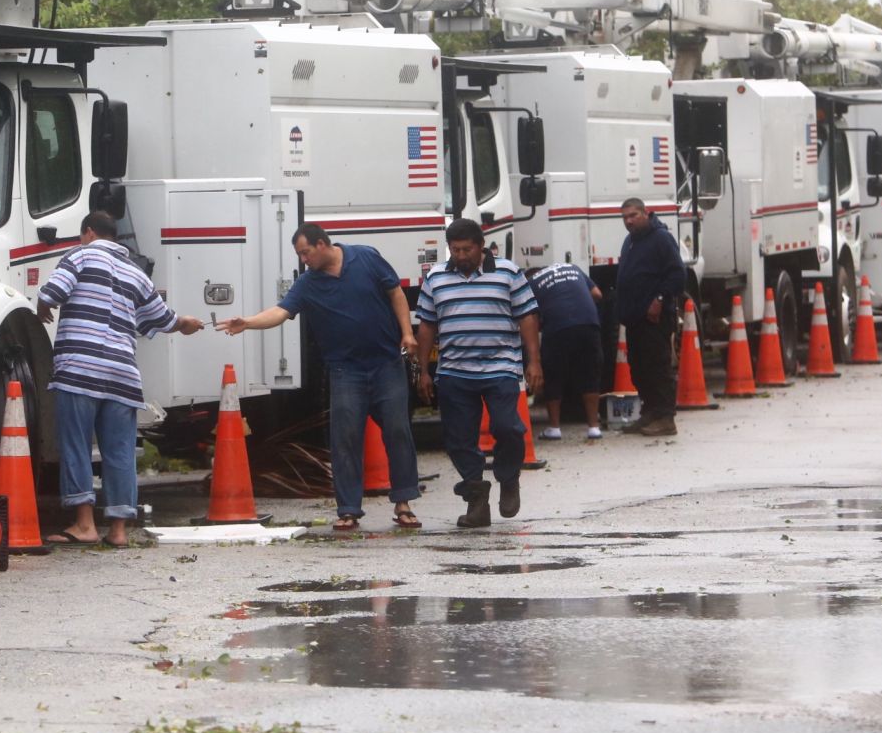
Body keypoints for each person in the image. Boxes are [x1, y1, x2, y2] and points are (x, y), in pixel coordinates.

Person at [218, 223, 421, 533]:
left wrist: (407, 333)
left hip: (386, 362)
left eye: (305, 252)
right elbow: (281, 311)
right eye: (299, 254)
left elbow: (395, 292)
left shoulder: (366, 258)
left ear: (323, 244)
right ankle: (349, 509)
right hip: (345, 370)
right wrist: (247, 322)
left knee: (397, 430)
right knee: (345, 438)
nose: (303, 260)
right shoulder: (308, 283)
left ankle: (404, 502)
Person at [38, 210, 203, 548]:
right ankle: (118, 531)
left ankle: (84, 525)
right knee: (119, 452)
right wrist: (187, 321)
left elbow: (51, 292)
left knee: (77, 447)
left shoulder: (80, 255)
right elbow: (165, 320)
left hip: (79, 370)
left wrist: (43, 308)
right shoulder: (136, 273)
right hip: (122, 375)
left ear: (87, 233)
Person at [414, 220, 542, 527]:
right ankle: (476, 499)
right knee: (458, 439)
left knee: (508, 427)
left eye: (467, 249)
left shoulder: (508, 272)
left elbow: (527, 317)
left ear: (481, 246)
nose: (461, 255)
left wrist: (534, 361)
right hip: (455, 371)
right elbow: (428, 325)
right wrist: (423, 371)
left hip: (501, 366)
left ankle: (508, 478)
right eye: (455, 249)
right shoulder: (436, 278)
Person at [615, 197, 685, 437]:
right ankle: (650, 412)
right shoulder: (630, 241)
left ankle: (666, 418)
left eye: (633, 215)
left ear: (646, 213)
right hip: (635, 319)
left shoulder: (661, 239)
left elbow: (677, 274)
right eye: (624, 217)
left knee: (657, 367)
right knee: (639, 368)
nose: (628, 221)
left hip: (654, 318)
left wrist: (660, 299)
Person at [527, 263, 606, 440]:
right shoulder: (573, 268)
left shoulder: (531, 283)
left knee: (554, 374)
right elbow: (597, 294)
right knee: (590, 373)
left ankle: (554, 428)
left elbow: (529, 315)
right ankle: (594, 427)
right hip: (588, 324)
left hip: (557, 328)